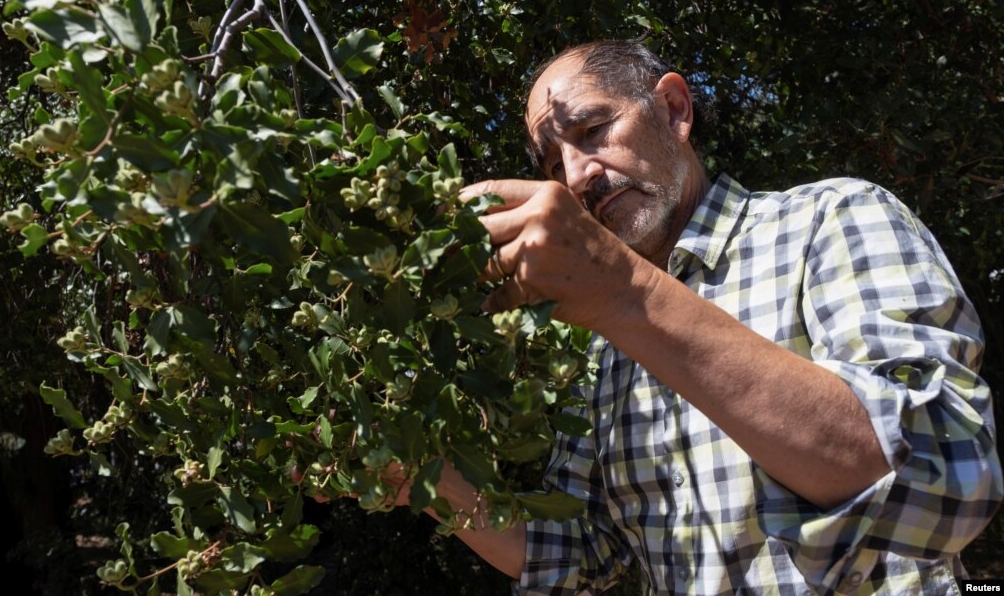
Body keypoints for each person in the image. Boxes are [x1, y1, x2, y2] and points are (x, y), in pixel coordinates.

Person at [406, 40, 1002, 595]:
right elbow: (587, 557)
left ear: (673, 109)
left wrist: (623, 291)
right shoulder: (602, 346)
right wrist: (419, 475)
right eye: (555, 160)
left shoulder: (830, 220)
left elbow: (946, 477)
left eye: (593, 130)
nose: (578, 175)